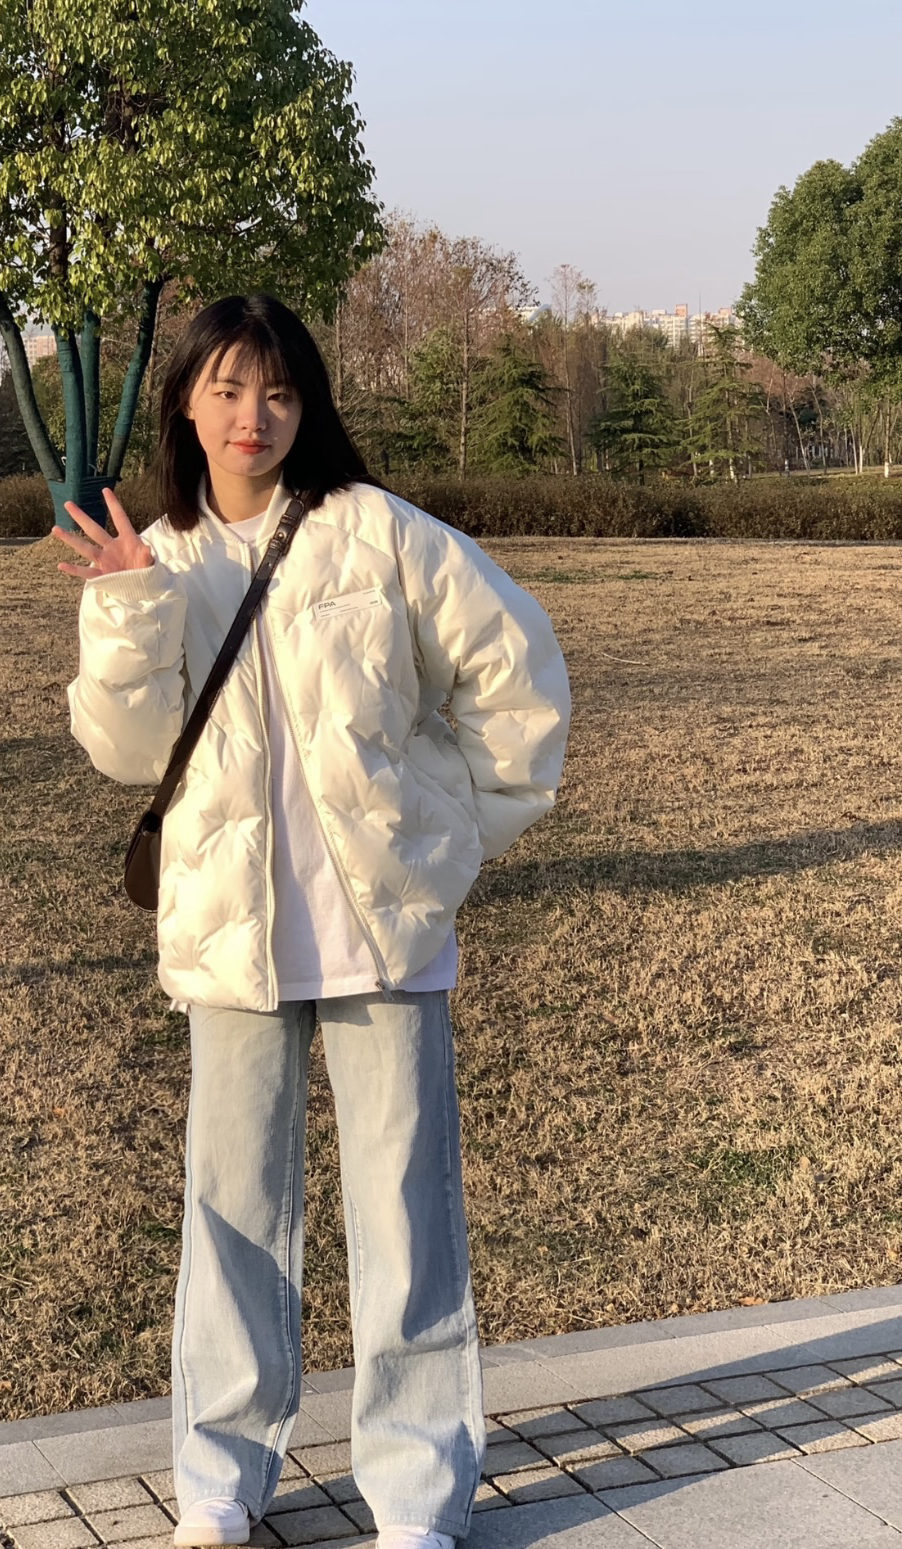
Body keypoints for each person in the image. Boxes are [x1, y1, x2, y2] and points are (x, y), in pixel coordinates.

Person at [53, 294, 571, 1548]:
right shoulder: (157, 559)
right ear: (186, 402)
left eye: (279, 391)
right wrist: (126, 609)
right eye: (229, 389)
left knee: (405, 1215)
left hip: (382, 933)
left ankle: (418, 1491)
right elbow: (128, 752)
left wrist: (449, 834)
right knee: (232, 1209)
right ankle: (220, 1479)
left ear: (308, 405)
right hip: (232, 936)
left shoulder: (379, 532)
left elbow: (516, 674)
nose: (254, 415)